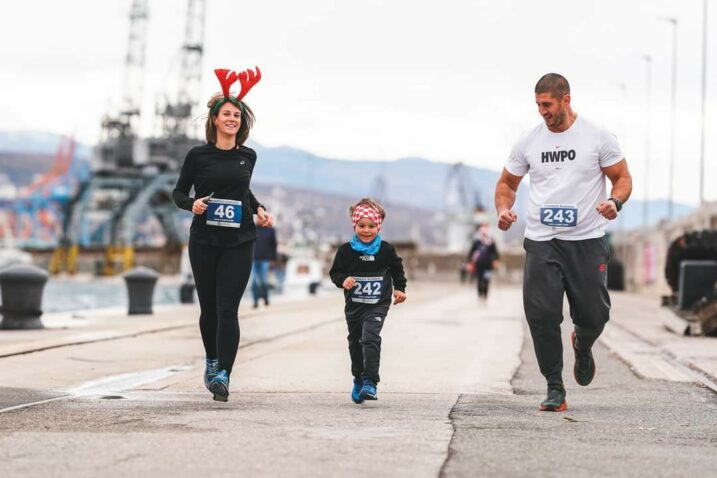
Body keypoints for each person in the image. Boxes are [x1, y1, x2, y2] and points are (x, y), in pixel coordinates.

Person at [494, 73, 632, 412]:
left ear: (566, 100)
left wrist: (615, 202)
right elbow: (507, 183)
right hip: (542, 240)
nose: (542, 111)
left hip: (586, 240)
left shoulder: (598, 137)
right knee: (541, 314)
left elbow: (622, 178)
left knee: (594, 314)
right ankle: (554, 386)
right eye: (538, 105)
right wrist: (503, 209)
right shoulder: (529, 141)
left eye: (548, 104)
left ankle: (582, 345)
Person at [172, 67, 273, 402]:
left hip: (240, 240)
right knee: (210, 309)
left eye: (237, 115)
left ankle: (223, 375)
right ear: (215, 119)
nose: (232, 119)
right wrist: (193, 205)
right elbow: (178, 194)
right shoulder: (198, 155)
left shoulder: (248, 156)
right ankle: (211, 359)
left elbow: (241, 193)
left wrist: (258, 208)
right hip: (204, 241)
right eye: (227, 114)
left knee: (228, 308)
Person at [329, 198, 407, 403]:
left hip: (377, 305)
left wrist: (400, 289)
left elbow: (397, 270)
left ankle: (370, 382)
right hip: (354, 306)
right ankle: (358, 378)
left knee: (370, 337)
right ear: (354, 226)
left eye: (371, 226)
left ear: (378, 226)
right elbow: (335, 273)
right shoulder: (346, 251)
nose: (366, 230)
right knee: (355, 341)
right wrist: (342, 280)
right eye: (361, 226)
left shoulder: (386, 250)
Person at [466, 223, 499, 300]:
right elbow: (471, 252)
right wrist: (470, 262)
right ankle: (480, 295)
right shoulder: (477, 241)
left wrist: (495, 260)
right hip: (478, 264)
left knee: (486, 280)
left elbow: (495, 252)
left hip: (488, 264)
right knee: (479, 280)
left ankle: (485, 295)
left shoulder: (491, 242)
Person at [252, 224, 278, 308]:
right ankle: (255, 301)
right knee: (254, 281)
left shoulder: (271, 230)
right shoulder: (252, 228)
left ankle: (265, 298)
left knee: (264, 281)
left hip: (265, 259)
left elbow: (273, 245)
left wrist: (273, 259)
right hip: (252, 259)